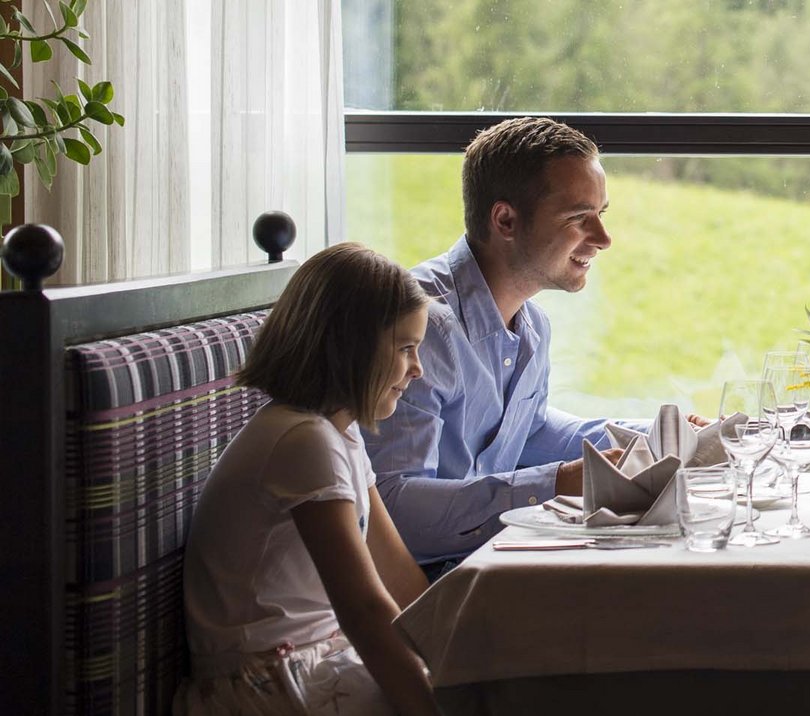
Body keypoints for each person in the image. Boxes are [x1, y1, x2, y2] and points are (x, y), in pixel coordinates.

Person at [364, 117, 684, 573]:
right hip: (422, 586)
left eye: (601, 214)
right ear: (506, 220)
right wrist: (557, 484)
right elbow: (390, 507)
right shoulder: (421, 327)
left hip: (483, 566)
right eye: (579, 217)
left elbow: (528, 433)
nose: (603, 238)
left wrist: (658, 436)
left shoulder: (531, 326)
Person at [178, 243, 437, 715]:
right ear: (352, 348)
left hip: (318, 656)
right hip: (265, 684)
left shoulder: (341, 433)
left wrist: (453, 654)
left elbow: (398, 577)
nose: (417, 369)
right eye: (405, 348)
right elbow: (361, 608)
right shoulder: (303, 442)